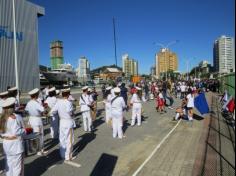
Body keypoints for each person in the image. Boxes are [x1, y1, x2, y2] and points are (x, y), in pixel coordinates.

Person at [0, 97, 25, 176]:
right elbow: (17, 132)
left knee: (9, 165)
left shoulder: (1, 118)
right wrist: (24, 130)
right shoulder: (14, 118)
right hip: (15, 144)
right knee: (17, 167)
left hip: (6, 143)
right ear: (12, 107)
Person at [50, 88, 76, 161]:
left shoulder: (59, 102)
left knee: (62, 139)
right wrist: (73, 113)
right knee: (69, 140)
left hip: (62, 122)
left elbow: (53, 111)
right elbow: (70, 112)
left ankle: (62, 154)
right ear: (68, 94)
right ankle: (68, 156)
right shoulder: (68, 102)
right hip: (68, 122)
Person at [25, 88, 48, 156]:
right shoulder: (36, 103)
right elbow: (43, 110)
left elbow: (26, 110)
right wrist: (45, 111)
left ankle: (35, 148)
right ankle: (40, 150)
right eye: (37, 94)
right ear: (35, 95)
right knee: (40, 135)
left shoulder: (29, 103)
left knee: (34, 135)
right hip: (37, 120)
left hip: (31, 119)